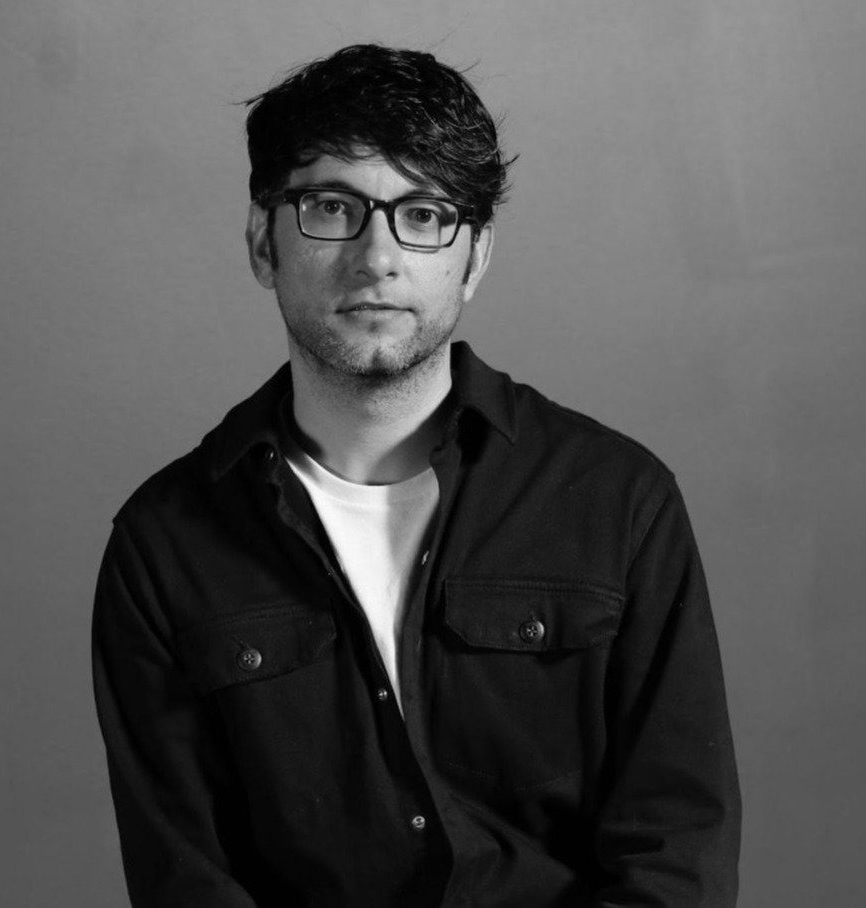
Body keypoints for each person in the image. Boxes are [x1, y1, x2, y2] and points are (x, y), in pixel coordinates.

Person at [92, 43, 740, 907]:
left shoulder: (618, 501)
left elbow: (676, 850)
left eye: (424, 214)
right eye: (332, 207)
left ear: (473, 258)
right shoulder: (165, 544)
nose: (377, 258)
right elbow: (186, 880)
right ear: (261, 242)